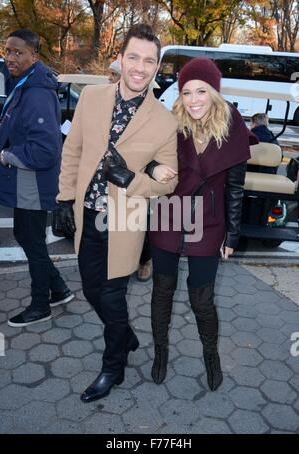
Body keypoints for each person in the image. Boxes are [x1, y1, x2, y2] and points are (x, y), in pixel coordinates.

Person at [55, 24, 178, 402]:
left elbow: (168, 182)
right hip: (87, 213)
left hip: (124, 221)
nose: (140, 67)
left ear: (157, 67)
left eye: (150, 61)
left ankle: (114, 367)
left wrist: (133, 179)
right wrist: (63, 199)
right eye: (134, 57)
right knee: (91, 289)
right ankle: (123, 333)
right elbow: (73, 149)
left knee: (111, 296)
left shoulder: (163, 119)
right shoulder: (91, 97)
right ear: (120, 58)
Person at [149, 57, 255, 392]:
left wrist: (232, 235)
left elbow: (235, 188)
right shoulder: (170, 124)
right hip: (168, 215)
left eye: (201, 91)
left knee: (202, 299)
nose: (193, 99)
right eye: (186, 92)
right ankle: (161, 354)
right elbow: (145, 158)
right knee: (162, 291)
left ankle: (211, 356)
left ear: (214, 92)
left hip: (208, 223)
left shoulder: (233, 127)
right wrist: (154, 168)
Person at [0, 29, 74, 328]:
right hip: (25, 182)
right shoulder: (24, 83)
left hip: (30, 182)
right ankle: (59, 290)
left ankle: (40, 305)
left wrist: (5, 156)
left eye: (19, 52)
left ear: (34, 56)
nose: (11, 57)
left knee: (31, 240)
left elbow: (45, 149)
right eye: (7, 50)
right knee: (30, 238)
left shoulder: (37, 92)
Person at [108, 58, 153, 282]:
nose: (109, 79)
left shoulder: (146, 108)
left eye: (113, 74)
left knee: (137, 224)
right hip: (107, 177)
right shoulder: (105, 102)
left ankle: (145, 259)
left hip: (134, 177)